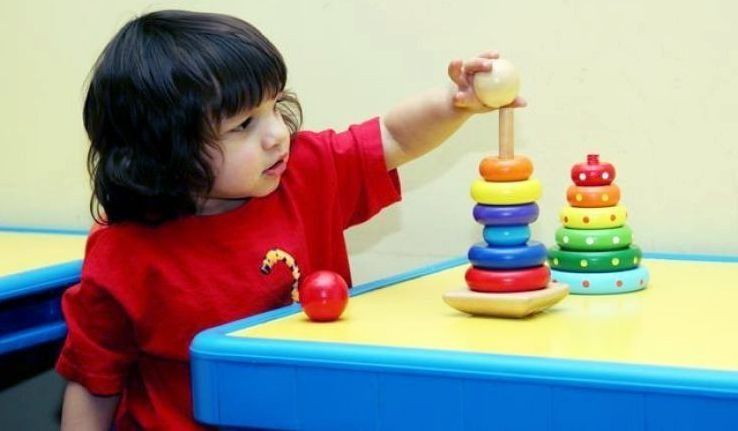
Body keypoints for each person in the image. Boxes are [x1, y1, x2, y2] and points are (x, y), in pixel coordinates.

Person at [56, 9, 525, 431]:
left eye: (276, 107)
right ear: (164, 152)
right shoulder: (124, 251)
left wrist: (455, 102)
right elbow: (94, 380)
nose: (277, 134)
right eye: (243, 125)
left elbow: (393, 136)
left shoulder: (306, 172)